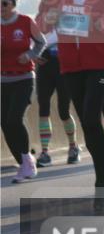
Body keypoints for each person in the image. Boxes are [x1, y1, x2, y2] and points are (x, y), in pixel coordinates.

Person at [37, 0, 104, 203]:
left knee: (91, 113)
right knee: (86, 120)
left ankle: (100, 183)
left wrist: (92, 20)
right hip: (70, 63)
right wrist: (47, 19)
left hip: (101, 60)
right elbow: (40, 25)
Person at [2, 0, 47, 182]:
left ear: (13, 4)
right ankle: (24, 162)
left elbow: (41, 42)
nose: (1, 7)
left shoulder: (25, 22)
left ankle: (27, 161)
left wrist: (29, 55)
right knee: (4, 123)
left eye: (5, 3)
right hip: (3, 80)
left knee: (14, 119)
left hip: (24, 79)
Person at [32, 27, 79, 167]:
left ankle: (73, 147)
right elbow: (31, 38)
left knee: (63, 111)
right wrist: (34, 54)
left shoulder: (68, 14)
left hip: (64, 64)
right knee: (43, 108)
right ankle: (45, 153)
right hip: (45, 65)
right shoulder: (40, 19)